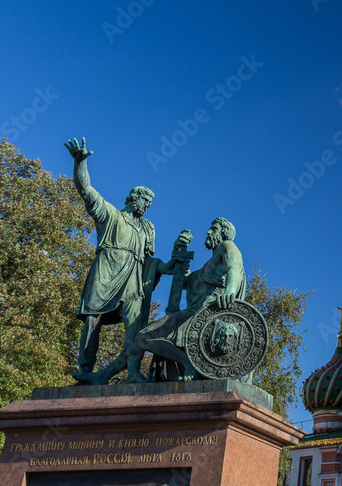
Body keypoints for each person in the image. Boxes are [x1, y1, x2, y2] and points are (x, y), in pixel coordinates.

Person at [65, 137, 174, 382]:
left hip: (132, 281)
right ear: (132, 198)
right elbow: (87, 192)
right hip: (105, 273)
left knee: (135, 324)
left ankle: (134, 372)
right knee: (93, 320)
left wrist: (169, 266)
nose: (146, 205)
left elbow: (149, 264)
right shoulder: (111, 215)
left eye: (149, 203)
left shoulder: (147, 228)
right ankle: (86, 372)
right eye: (144, 200)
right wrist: (80, 163)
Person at [127, 217, 246, 382]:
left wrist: (230, 291)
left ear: (224, 233)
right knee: (143, 338)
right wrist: (179, 255)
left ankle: (189, 365)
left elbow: (234, 267)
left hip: (206, 312)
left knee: (143, 338)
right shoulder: (209, 265)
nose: (208, 232)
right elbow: (184, 282)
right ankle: (188, 363)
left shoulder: (227, 246)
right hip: (193, 311)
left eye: (214, 229)